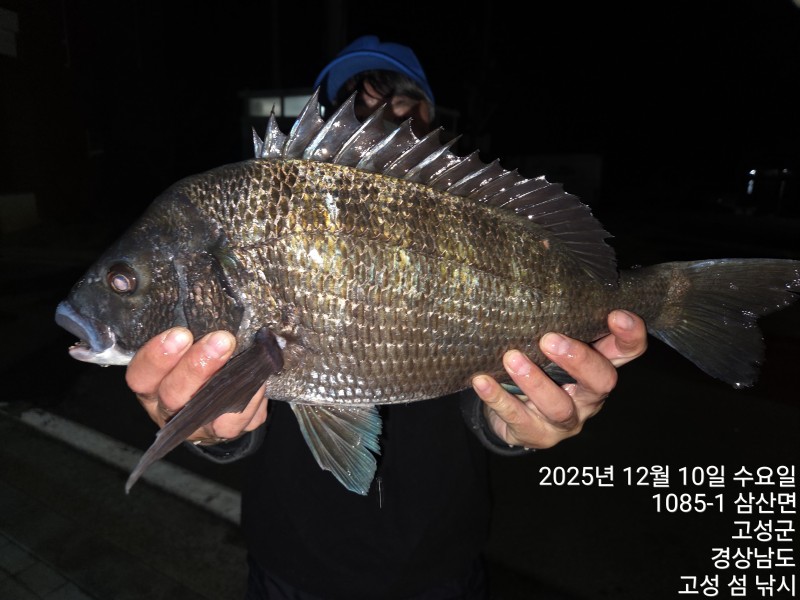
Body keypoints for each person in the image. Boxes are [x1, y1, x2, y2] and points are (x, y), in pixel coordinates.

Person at [126, 35, 649, 599]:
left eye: (402, 107)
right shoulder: (262, 218)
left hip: (444, 564)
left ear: (432, 121)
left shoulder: (464, 214)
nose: (380, 124)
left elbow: (486, 395)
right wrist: (211, 429)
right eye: (355, 107)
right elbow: (242, 423)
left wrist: (517, 420)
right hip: (291, 563)